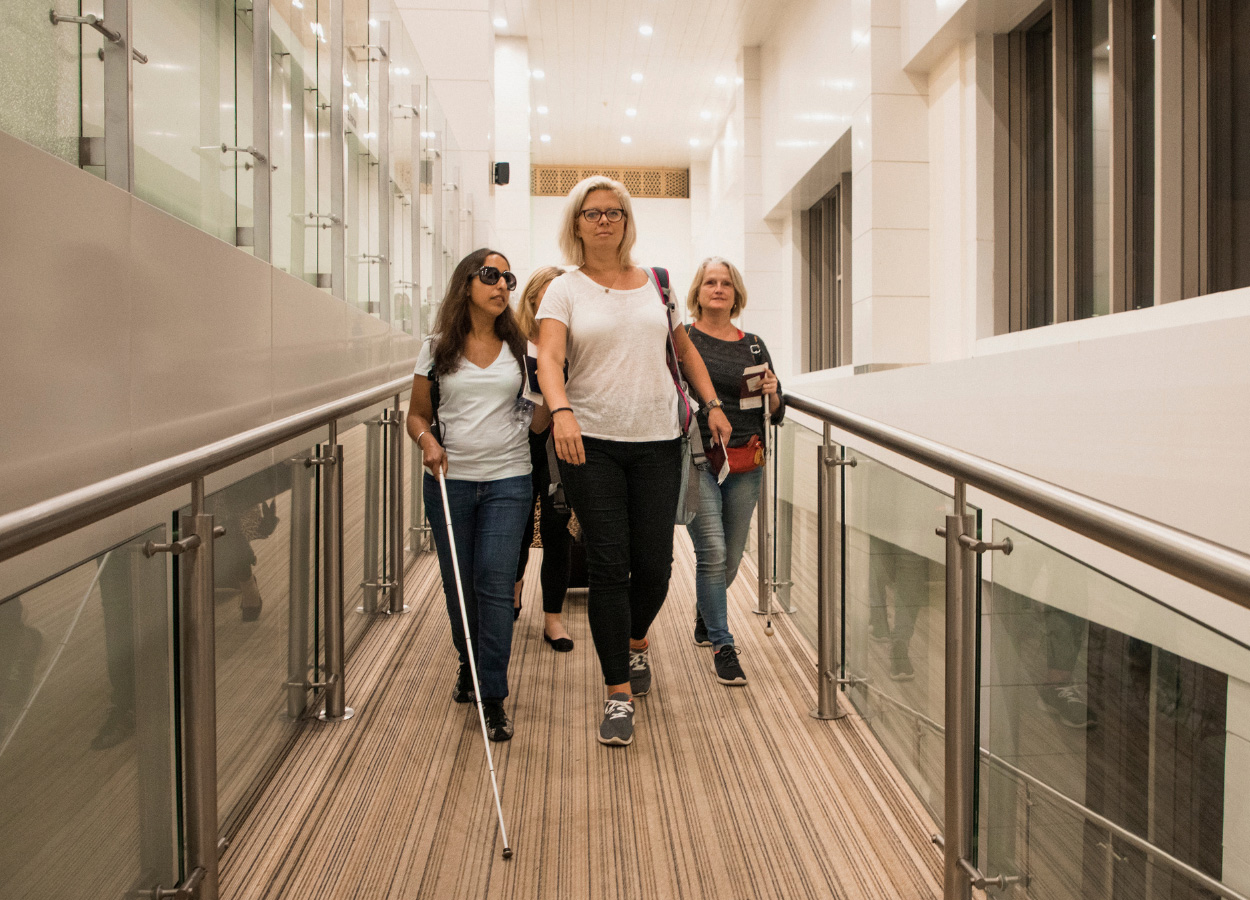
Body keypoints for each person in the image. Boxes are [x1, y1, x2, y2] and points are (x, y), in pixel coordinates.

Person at [535, 176, 732, 747]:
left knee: (655, 568)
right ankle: (617, 692)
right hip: (589, 442)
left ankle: (636, 639)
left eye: (614, 212)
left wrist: (712, 404)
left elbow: (684, 349)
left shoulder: (658, 283)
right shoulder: (564, 289)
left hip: (658, 441)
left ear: (626, 221)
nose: (604, 221)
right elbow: (548, 358)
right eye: (592, 213)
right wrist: (561, 411)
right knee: (608, 565)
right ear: (576, 224)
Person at [406, 248, 546, 742]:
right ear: (465, 283)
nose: (502, 284)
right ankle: (469, 662)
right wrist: (427, 442)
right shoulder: (436, 347)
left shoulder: (523, 349)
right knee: (459, 586)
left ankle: (493, 695)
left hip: (510, 479)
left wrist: (552, 389)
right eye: (490, 274)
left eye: (508, 277)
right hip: (451, 483)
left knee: (494, 582)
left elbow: (539, 423)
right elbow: (416, 415)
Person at [681, 257, 785, 686]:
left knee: (732, 556)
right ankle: (723, 644)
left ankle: (706, 616)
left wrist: (773, 392)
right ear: (698, 291)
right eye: (710, 282)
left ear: (736, 293)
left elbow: (775, 410)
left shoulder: (754, 345)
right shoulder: (684, 339)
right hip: (697, 458)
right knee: (713, 551)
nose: (718, 289)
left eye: (726, 283)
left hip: (745, 459)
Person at [512, 266, 575, 651]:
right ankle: (514, 591)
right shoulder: (512, 341)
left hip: (558, 446)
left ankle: (553, 618)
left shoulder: (573, 341)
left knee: (557, 531)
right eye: (546, 293)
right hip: (517, 445)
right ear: (532, 296)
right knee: (516, 527)